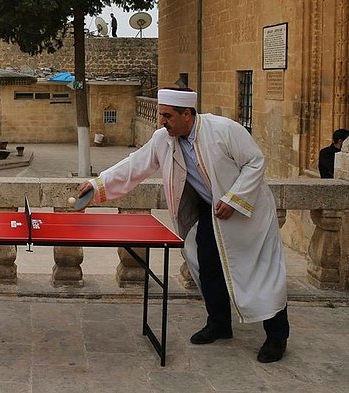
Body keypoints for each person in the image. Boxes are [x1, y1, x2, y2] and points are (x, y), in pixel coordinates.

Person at [78, 88, 290, 363]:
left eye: (167, 116)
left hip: (249, 215)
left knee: (263, 275)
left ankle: (276, 337)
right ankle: (219, 324)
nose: (161, 121)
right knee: (208, 266)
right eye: (160, 115)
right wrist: (98, 184)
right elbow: (135, 165)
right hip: (211, 213)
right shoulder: (163, 139)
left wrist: (235, 199)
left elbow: (255, 162)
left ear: (187, 115)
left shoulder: (224, 130)